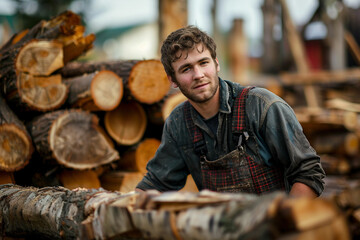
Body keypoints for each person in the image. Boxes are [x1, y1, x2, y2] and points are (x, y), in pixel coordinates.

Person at [135, 25, 325, 198]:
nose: (198, 75)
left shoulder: (261, 106)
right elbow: (156, 184)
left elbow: (308, 172)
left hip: (275, 227)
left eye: (203, 63)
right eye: (186, 69)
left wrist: (284, 222)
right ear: (172, 80)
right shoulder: (179, 123)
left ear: (216, 64)